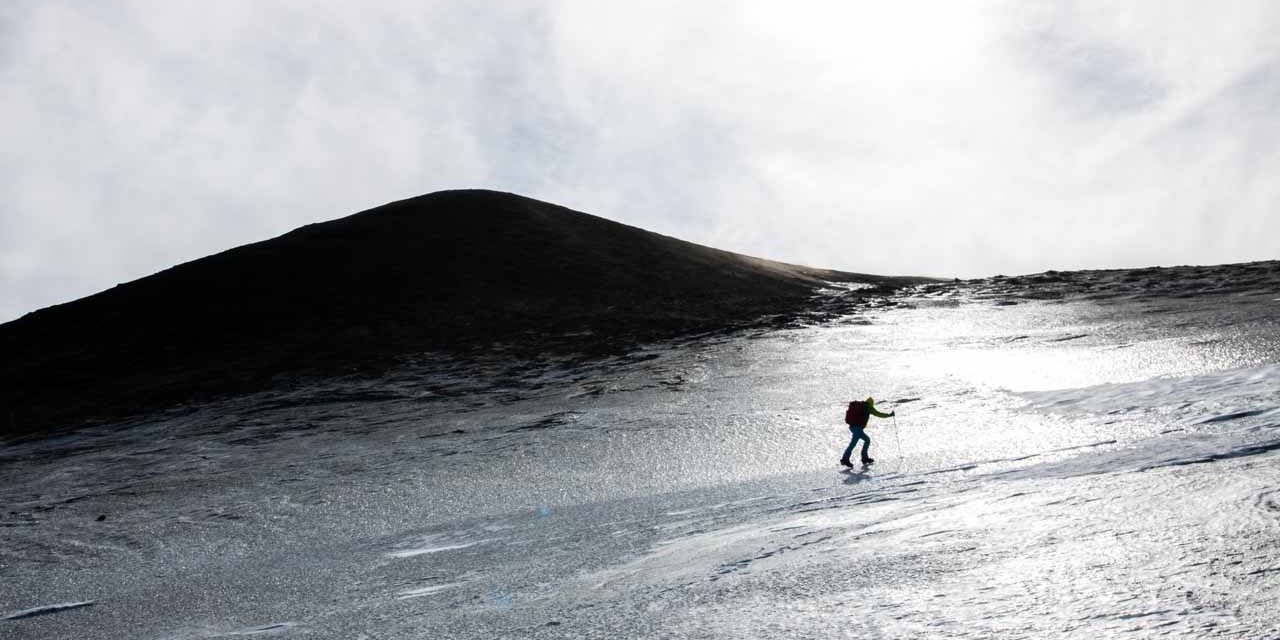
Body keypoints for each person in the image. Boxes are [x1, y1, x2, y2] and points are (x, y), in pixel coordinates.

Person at [841, 396, 894, 467]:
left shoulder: (862, 405)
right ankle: (845, 459)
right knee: (853, 443)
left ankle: (864, 458)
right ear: (871, 403)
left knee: (867, 440)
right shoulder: (869, 407)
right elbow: (879, 414)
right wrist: (889, 415)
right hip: (857, 428)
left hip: (853, 427)